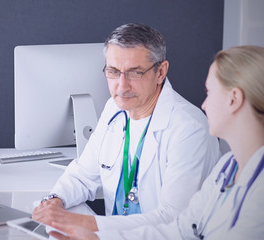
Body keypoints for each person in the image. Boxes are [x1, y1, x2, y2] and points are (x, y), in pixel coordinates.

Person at [49, 45, 264, 239]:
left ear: (234, 99)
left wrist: (93, 229)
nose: (204, 105)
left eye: (209, 92)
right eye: (114, 71)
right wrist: (96, 235)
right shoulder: (228, 166)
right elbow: (181, 228)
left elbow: (173, 221)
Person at [32, 23, 220, 232]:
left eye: (135, 73)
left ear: (161, 72)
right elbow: (82, 175)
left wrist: (85, 225)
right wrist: (55, 201)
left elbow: (173, 219)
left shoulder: (189, 128)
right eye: (113, 71)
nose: (121, 86)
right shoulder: (114, 109)